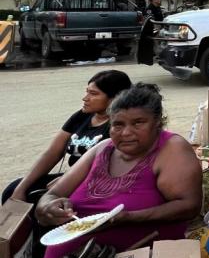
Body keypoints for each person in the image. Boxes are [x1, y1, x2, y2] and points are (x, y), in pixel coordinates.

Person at [36, 83, 202, 258]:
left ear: (157, 123)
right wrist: (47, 207)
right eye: (118, 124)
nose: (126, 132)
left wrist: (129, 218)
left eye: (138, 123)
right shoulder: (102, 148)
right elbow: (53, 194)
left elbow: (189, 206)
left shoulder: (171, 148)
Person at [3, 70, 133, 205]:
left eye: (93, 94)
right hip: (71, 177)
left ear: (115, 98)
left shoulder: (119, 125)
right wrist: (21, 188)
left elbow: (117, 165)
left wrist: (65, 180)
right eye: (87, 91)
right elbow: (52, 153)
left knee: (39, 199)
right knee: (12, 191)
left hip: (96, 181)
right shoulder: (81, 116)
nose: (85, 98)